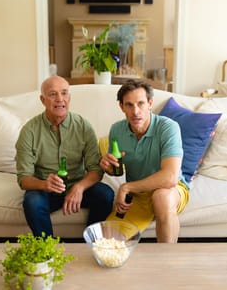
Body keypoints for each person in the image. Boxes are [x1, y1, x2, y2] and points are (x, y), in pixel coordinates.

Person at [15, 75, 114, 237]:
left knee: (106, 195)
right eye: (53, 94)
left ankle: (91, 242)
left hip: (78, 183)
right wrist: (44, 184)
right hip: (45, 188)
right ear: (43, 100)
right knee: (32, 201)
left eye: (64, 93)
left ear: (69, 97)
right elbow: (23, 179)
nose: (60, 99)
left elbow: (95, 169)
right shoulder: (29, 131)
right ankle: (48, 251)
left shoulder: (83, 126)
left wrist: (79, 187)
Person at [99, 79, 189, 243]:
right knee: (107, 239)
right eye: (129, 105)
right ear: (121, 107)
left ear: (150, 103)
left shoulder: (168, 127)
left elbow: (170, 178)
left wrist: (126, 187)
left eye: (141, 104)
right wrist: (108, 167)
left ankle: (168, 261)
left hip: (171, 189)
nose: (135, 111)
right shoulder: (117, 130)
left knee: (161, 197)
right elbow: (117, 168)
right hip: (138, 195)